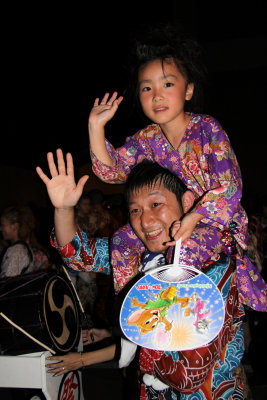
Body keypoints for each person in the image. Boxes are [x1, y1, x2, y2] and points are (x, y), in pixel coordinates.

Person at [37, 150, 248, 399]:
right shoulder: (136, 255)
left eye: (156, 204)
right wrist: (63, 209)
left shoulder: (211, 267)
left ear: (188, 202)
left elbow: (189, 371)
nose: (145, 221)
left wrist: (130, 334)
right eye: (135, 210)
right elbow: (78, 256)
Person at [88, 24, 267, 312]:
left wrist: (195, 217)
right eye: (147, 88)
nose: (157, 95)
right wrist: (96, 127)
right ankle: (133, 311)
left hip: (215, 223)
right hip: (177, 219)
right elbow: (114, 171)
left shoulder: (207, 128)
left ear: (189, 89)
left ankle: (178, 319)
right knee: (122, 238)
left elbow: (230, 185)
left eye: (167, 84)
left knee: (179, 254)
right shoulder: (147, 139)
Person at [0, 205, 50, 277]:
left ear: (14, 226)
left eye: (3, 225)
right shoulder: (23, 248)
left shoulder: (16, 251)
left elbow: (6, 282)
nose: (1, 229)